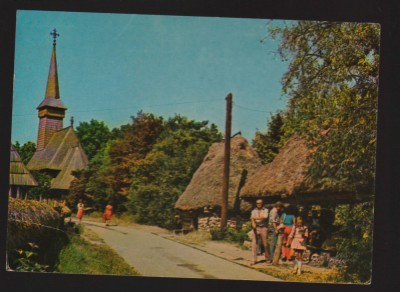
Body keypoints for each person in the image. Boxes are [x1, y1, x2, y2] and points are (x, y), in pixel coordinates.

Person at [250, 199, 270, 265]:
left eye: (260, 203)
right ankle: (253, 259)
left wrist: (255, 218)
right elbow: (252, 219)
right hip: (256, 227)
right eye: (257, 203)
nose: (259, 204)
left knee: (265, 244)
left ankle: (267, 258)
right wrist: (253, 223)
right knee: (254, 244)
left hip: (263, 227)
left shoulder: (265, 210)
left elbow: (265, 217)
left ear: (262, 203)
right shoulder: (254, 210)